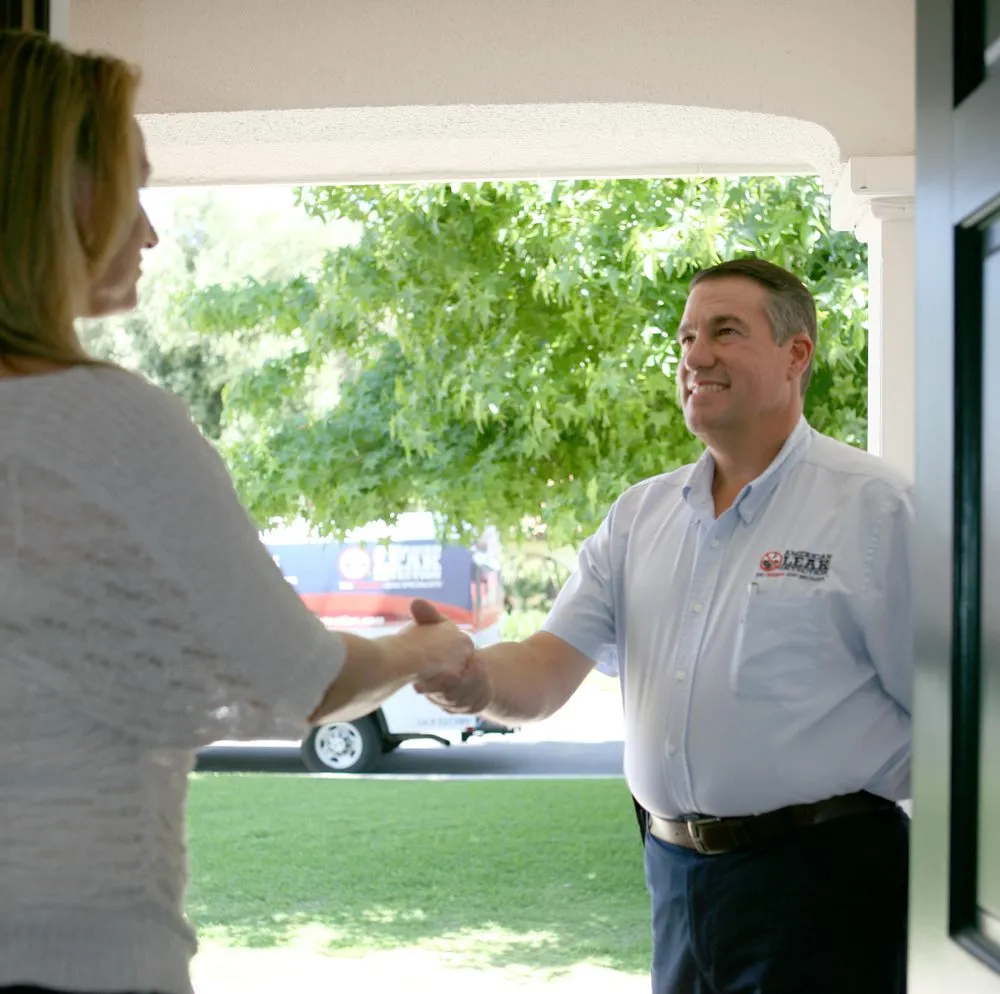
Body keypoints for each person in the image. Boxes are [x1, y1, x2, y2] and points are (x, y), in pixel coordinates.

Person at [0, 30, 475, 994]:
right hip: (74, 959)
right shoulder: (103, 423)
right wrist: (423, 651)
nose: (149, 229)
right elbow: (303, 677)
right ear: (62, 194)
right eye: (131, 186)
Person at [415, 257, 913, 993]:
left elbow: (965, 718)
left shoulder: (876, 507)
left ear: (796, 353)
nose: (695, 355)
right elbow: (549, 667)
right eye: (684, 338)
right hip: (676, 881)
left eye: (724, 332)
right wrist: (474, 681)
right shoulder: (639, 516)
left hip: (827, 887)